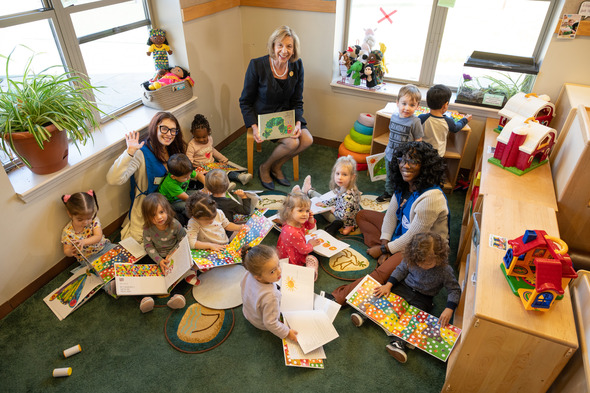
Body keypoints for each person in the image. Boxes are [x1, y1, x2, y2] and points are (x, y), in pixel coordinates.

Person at [331, 141, 449, 304]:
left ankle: (339, 297)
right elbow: (390, 216)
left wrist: (382, 249)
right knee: (362, 216)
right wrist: (385, 247)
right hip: (402, 234)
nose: (405, 165)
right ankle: (389, 256)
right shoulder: (405, 184)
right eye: (402, 160)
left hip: (421, 247)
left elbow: (412, 238)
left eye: (413, 161)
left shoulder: (431, 198)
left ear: (426, 166)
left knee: (381, 274)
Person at [352, 232, 461, 363]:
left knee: (413, 320)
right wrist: (388, 285)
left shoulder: (445, 270)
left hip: (424, 297)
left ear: (439, 257)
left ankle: (398, 343)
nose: (422, 266)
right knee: (388, 302)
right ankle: (366, 314)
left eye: (428, 263)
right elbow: (401, 270)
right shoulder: (412, 258)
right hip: (404, 287)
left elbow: (454, 289)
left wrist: (449, 308)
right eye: (420, 262)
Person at [239, 25, 313, 190]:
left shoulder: (297, 65)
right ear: (273, 46)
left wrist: (298, 122)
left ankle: (276, 165)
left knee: (307, 139)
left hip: (287, 115)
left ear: (294, 50)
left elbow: (297, 99)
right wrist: (254, 126)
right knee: (292, 144)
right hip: (265, 118)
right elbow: (245, 101)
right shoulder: (257, 65)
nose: (284, 50)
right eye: (280, 45)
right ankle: (265, 167)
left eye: (289, 46)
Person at [107, 111, 187, 244]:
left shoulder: (172, 148)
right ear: (155, 127)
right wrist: (129, 152)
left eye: (173, 130)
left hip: (170, 199)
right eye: (164, 129)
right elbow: (113, 179)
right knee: (145, 241)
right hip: (148, 205)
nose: (169, 134)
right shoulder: (141, 153)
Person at [138, 193, 187, 313]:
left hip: (173, 253)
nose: (159, 217)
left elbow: (183, 240)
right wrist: (159, 260)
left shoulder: (175, 224)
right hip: (156, 255)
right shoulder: (147, 228)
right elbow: (148, 245)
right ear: (147, 217)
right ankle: (146, 297)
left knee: (182, 270)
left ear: (167, 210)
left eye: (161, 212)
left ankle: (177, 295)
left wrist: (172, 253)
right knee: (142, 267)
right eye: (153, 215)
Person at [240, 245, 298, 342]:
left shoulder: (249, 273)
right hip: (260, 323)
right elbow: (270, 323)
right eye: (272, 271)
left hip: (248, 312)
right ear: (258, 277)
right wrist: (287, 332)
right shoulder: (271, 296)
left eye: (278, 265)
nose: (279, 271)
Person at [377, 84, 424, 202]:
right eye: (404, 103)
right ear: (397, 102)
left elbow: (418, 140)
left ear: (417, 106)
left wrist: (413, 155)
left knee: (403, 177)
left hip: (404, 158)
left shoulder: (415, 121)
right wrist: (387, 148)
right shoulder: (393, 117)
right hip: (390, 153)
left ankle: (401, 196)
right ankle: (388, 193)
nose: (407, 108)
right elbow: (392, 135)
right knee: (389, 176)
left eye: (412, 105)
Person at [302, 155, 362, 236]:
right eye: (337, 174)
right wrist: (325, 203)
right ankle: (309, 191)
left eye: (344, 175)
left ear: (352, 177)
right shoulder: (346, 187)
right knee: (322, 202)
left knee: (321, 209)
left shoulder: (348, 197)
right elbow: (337, 199)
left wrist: (333, 210)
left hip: (342, 219)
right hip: (346, 214)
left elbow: (344, 216)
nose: (339, 177)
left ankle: (308, 191)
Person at [186, 114, 252, 186]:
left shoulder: (210, 139)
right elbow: (189, 160)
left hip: (212, 164)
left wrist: (223, 159)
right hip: (200, 168)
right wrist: (192, 172)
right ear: (192, 133)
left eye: (204, 137)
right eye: (198, 137)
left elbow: (212, 150)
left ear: (208, 132)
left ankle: (240, 177)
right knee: (214, 176)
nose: (201, 140)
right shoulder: (192, 145)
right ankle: (224, 185)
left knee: (225, 169)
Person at [276, 191, 321, 280]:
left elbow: (309, 226)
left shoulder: (293, 219)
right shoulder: (293, 232)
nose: (305, 214)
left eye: (307, 210)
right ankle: (309, 272)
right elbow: (304, 249)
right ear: (289, 210)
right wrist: (311, 244)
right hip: (292, 258)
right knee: (313, 256)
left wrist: (311, 218)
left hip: (287, 249)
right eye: (300, 210)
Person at [418, 84, 472, 157]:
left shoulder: (422, 118)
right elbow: (456, 128)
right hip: (438, 154)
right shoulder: (448, 121)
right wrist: (465, 120)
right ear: (445, 105)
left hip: (422, 152)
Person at [61, 190, 110, 263]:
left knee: (121, 255)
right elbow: (66, 250)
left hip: (104, 247)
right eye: (80, 220)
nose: (85, 222)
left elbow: (98, 236)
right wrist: (69, 252)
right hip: (88, 258)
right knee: (99, 271)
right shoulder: (67, 232)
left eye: (88, 218)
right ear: (70, 214)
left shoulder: (94, 220)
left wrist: (84, 242)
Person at [158, 153, 196, 226]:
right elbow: (187, 199)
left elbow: (198, 175)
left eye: (189, 175)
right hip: (170, 203)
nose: (189, 178)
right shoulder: (170, 184)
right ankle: (189, 222)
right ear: (173, 177)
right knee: (189, 205)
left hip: (182, 194)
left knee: (198, 194)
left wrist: (207, 185)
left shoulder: (185, 172)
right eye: (185, 177)